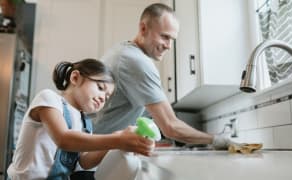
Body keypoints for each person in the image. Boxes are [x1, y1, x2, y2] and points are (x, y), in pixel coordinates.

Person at [93, 3, 234, 150]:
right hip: (91, 162)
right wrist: (216, 139)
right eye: (165, 37)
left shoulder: (124, 52)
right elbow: (170, 126)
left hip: (93, 155)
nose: (169, 46)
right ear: (143, 28)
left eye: (172, 39)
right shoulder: (136, 62)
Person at [7, 59, 154, 179]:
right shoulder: (49, 99)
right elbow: (63, 139)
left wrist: (115, 140)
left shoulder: (85, 123)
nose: (103, 97)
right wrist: (118, 139)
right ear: (75, 78)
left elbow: (84, 161)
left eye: (107, 97)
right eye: (100, 87)